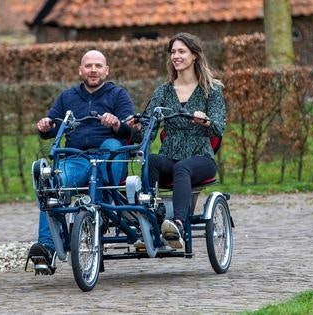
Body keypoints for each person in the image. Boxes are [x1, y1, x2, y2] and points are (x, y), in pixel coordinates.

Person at [28, 50, 135, 271]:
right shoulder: (68, 97)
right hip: (77, 157)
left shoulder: (118, 95)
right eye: (88, 66)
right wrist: (46, 126)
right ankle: (46, 248)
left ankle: (104, 210)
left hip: (108, 155)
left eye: (98, 66)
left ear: (106, 70)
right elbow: (54, 125)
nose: (93, 70)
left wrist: (116, 124)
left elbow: (131, 128)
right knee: (53, 188)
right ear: (80, 70)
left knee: (113, 146)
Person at [128, 33, 226, 249]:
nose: (176, 56)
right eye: (173, 52)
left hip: (201, 157)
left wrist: (206, 121)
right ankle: (151, 222)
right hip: (169, 156)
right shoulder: (163, 91)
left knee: (182, 167)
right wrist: (135, 129)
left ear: (194, 56)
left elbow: (219, 127)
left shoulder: (212, 90)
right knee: (151, 161)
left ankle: (178, 226)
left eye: (181, 51)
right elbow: (148, 132)